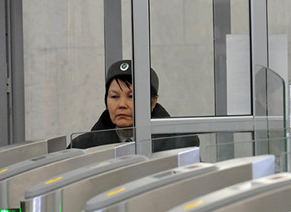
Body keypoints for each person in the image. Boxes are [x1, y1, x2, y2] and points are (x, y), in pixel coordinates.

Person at [69, 59, 200, 151]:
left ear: (153, 102)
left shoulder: (181, 144)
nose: (122, 105)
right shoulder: (83, 147)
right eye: (114, 96)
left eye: (131, 97)